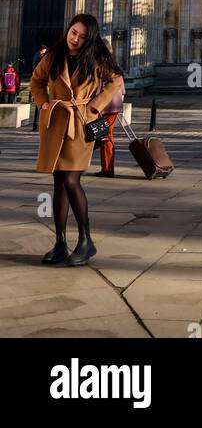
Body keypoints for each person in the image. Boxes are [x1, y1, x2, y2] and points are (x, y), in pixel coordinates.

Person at [29, 14, 124, 267]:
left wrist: (94, 107)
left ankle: (85, 240)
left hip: (79, 124)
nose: (75, 39)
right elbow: (36, 82)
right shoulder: (52, 56)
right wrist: (43, 103)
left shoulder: (94, 58)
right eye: (73, 33)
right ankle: (60, 242)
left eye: (82, 37)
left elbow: (116, 81)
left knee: (71, 180)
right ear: (68, 30)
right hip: (54, 124)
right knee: (58, 182)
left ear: (89, 39)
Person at [95, 74, 126, 177]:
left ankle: (107, 168)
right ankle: (107, 167)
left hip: (106, 108)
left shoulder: (103, 74)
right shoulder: (117, 73)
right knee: (106, 136)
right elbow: (123, 92)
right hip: (114, 107)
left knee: (105, 137)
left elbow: (98, 92)